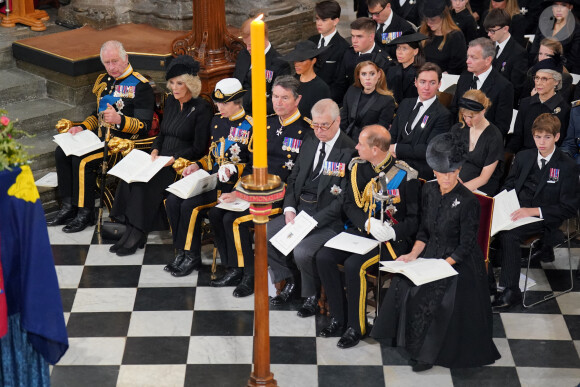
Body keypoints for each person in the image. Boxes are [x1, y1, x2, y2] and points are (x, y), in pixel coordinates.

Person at [371, 131, 501, 372]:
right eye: (442, 173)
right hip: (431, 252)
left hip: (459, 261)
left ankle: (427, 354)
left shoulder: (468, 201)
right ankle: (406, 342)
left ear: (459, 170)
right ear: (434, 171)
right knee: (402, 282)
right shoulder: (428, 191)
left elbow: (467, 245)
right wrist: (412, 255)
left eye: (452, 173)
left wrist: (443, 265)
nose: (447, 178)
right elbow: (423, 232)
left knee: (436, 293)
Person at [316, 125, 421, 348]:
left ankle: (357, 326)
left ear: (375, 149)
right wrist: (366, 222)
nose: (356, 147)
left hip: (389, 241)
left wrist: (393, 230)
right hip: (362, 231)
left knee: (355, 266)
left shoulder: (405, 175)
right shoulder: (358, 167)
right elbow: (349, 203)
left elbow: (414, 220)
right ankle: (338, 316)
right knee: (323, 257)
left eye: (361, 144)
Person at [208, 75, 311, 298]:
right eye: (275, 96)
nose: (278, 102)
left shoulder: (306, 131)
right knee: (217, 213)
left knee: (234, 220)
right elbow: (253, 164)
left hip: (280, 196)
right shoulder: (266, 124)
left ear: (297, 99)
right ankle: (233, 268)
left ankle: (249, 275)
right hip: (254, 190)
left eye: (285, 98)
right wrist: (238, 189)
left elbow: (297, 176)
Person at [109, 56, 212, 256]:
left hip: (180, 165)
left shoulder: (202, 108)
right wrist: (155, 150)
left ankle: (138, 232)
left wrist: (173, 158)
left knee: (142, 185)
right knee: (129, 179)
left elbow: (199, 147)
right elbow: (162, 133)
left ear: (190, 84)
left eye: (179, 83)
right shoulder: (172, 102)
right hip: (160, 158)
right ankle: (129, 228)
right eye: (172, 82)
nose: (174, 87)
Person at [49, 40, 155, 232]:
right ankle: (68, 206)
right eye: (107, 62)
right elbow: (96, 115)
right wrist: (81, 127)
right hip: (97, 139)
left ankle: (85, 212)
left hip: (121, 145)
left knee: (82, 161)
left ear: (126, 58)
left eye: (115, 61)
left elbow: (144, 127)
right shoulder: (104, 81)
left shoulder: (141, 86)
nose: (111, 67)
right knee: (61, 152)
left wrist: (119, 120)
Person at [267, 99, 355, 317]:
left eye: (324, 125)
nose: (319, 130)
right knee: (266, 233)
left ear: (338, 121)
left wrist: (315, 221)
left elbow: (343, 199)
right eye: (315, 125)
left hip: (328, 218)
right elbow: (294, 177)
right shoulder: (310, 140)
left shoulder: (349, 150)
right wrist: (289, 209)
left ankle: (311, 296)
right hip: (301, 210)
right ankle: (290, 281)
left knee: (303, 250)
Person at [164, 78, 252, 277]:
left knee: (189, 206)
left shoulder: (251, 126)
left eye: (224, 103)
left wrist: (234, 172)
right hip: (210, 180)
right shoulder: (217, 120)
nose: (220, 107)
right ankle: (182, 251)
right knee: (172, 200)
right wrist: (197, 165)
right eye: (218, 102)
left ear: (238, 101)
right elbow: (212, 156)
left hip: (230, 188)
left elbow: (254, 166)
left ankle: (192, 256)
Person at [491, 113, 579, 311]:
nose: (541, 142)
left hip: (543, 216)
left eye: (547, 137)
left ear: (556, 137)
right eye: (538, 137)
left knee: (509, 235)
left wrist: (533, 211)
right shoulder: (524, 156)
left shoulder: (567, 166)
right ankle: (487, 278)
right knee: (483, 220)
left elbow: (568, 207)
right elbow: (510, 183)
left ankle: (511, 290)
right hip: (516, 209)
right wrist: (503, 201)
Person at [389, 62, 453, 179]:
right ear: (415, 82)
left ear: (439, 84)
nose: (426, 87)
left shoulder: (443, 114)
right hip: (393, 160)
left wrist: (396, 148)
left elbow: (428, 149)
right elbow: (393, 134)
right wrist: (390, 150)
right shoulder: (405, 103)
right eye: (422, 82)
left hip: (418, 168)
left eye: (432, 83)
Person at [450, 37, 514, 137]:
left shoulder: (503, 86)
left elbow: (501, 126)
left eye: (473, 57)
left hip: (484, 141)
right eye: (468, 56)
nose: (467, 61)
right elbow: (455, 109)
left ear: (488, 60)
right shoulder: (464, 77)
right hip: (459, 136)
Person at [506, 56, 570, 154]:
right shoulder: (526, 103)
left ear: (556, 82)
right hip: (524, 156)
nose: (539, 83)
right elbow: (517, 137)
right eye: (537, 78)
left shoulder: (564, 109)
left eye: (544, 79)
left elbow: (560, 143)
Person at [233, 17, 291, 114]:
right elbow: (236, 82)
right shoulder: (243, 55)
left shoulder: (280, 64)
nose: (247, 48)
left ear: (262, 38)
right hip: (238, 110)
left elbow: (276, 102)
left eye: (251, 45)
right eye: (245, 44)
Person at [451, 90, 504, 195]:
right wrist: (454, 177)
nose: (467, 120)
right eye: (464, 115)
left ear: (483, 111)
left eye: (471, 117)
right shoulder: (458, 128)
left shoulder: (494, 137)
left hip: (480, 188)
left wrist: (458, 189)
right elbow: (451, 160)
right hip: (456, 181)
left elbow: (484, 178)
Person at [331, 17, 394, 103]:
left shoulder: (383, 61)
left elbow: (384, 94)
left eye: (359, 36)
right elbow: (339, 84)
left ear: (371, 37)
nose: (354, 41)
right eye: (352, 36)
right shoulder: (349, 54)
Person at [340, 61, 396, 143]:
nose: (368, 78)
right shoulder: (352, 90)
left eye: (372, 74)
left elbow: (380, 131)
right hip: (345, 139)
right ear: (358, 76)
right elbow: (343, 120)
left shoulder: (387, 100)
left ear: (379, 74)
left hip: (368, 144)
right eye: (363, 74)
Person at [484, 8, 528, 105]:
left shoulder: (518, 53)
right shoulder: (488, 47)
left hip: (503, 104)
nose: (488, 34)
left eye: (492, 31)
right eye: (488, 30)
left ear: (505, 29)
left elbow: (516, 88)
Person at [280, 40, 331, 118]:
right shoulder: (291, 82)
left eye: (301, 60)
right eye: (295, 59)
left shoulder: (321, 88)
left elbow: (321, 118)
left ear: (313, 61)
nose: (296, 64)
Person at [308, 1, 350, 93]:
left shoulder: (343, 48)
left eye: (323, 20)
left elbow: (340, 84)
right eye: (317, 19)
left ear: (335, 21)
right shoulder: (311, 40)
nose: (318, 23)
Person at [529, 0, 580, 74]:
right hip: (537, 69)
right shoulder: (544, 23)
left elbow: (573, 60)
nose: (558, 9)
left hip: (561, 73)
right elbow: (534, 50)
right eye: (555, 5)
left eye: (563, 5)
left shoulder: (576, 30)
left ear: (570, 7)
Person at [418, 0, 467, 75]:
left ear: (443, 17)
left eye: (433, 20)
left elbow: (458, 65)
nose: (428, 23)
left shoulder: (455, 36)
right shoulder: (423, 32)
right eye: (426, 19)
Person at [521, 38, 573, 103]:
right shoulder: (532, 71)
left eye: (547, 55)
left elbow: (560, 106)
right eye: (540, 54)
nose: (542, 58)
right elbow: (523, 98)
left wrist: (537, 98)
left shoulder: (564, 77)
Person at [385, 32, 427, 103]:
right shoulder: (391, 70)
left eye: (404, 49)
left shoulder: (423, 73)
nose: (399, 52)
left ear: (415, 51)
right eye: (398, 48)